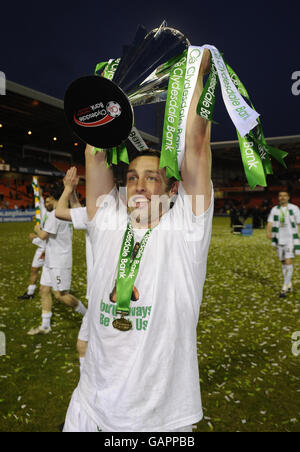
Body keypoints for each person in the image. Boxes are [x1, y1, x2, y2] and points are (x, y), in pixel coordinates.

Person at [63, 48, 213, 433]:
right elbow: (95, 152)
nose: (139, 185)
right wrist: (112, 93)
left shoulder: (186, 229)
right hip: (91, 405)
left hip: (158, 418)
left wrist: (195, 74)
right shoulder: (108, 218)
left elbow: (194, 146)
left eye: (151, 177)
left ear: (172, 188)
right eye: (131, 177)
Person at [27, 185, 87, 335]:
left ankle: (89, 316)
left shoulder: (55, 215)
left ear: (53, 198)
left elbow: (43, 236)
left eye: (48, 198)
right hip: (51, 259)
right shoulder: (65, 213)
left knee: (60, 295)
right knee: (44, 289)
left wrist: (37, 230)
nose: (46, 201)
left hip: (59, 261)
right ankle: (46, 325)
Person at [55, 167, 92, 372]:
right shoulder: (112, 214)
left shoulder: (99, 215)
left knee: (84, 345)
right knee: (85, 345)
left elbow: (60, 212)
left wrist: (68, 188)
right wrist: (75, 193)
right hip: (113, 294)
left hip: (101, 297)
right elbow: (79, 210)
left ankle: (88, 384)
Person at [18, 190, 51, 300]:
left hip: (48, 248)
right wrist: (36, 187)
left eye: (48, 202)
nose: (46, 204)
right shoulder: (43, 210)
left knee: (52, 271)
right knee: (34, 269)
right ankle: (30, 293)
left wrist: (36, 238)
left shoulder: (54, 216)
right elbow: (39, 199)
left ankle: (61, 293)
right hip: (42, 247)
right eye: (46, 202)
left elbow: (49, 235)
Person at [266, 191, 300, 297]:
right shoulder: (275, 209)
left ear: (288, 197)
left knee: (288, 260)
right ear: (278, 198)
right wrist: (268, 232)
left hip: (290, 239)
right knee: (283, 262)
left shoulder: (294, 208)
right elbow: (270, 222)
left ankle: (284, 287)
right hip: (278, 238)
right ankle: (289, 282)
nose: (282, 197)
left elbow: (299, 223)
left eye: (285, 196)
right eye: (280, 195)